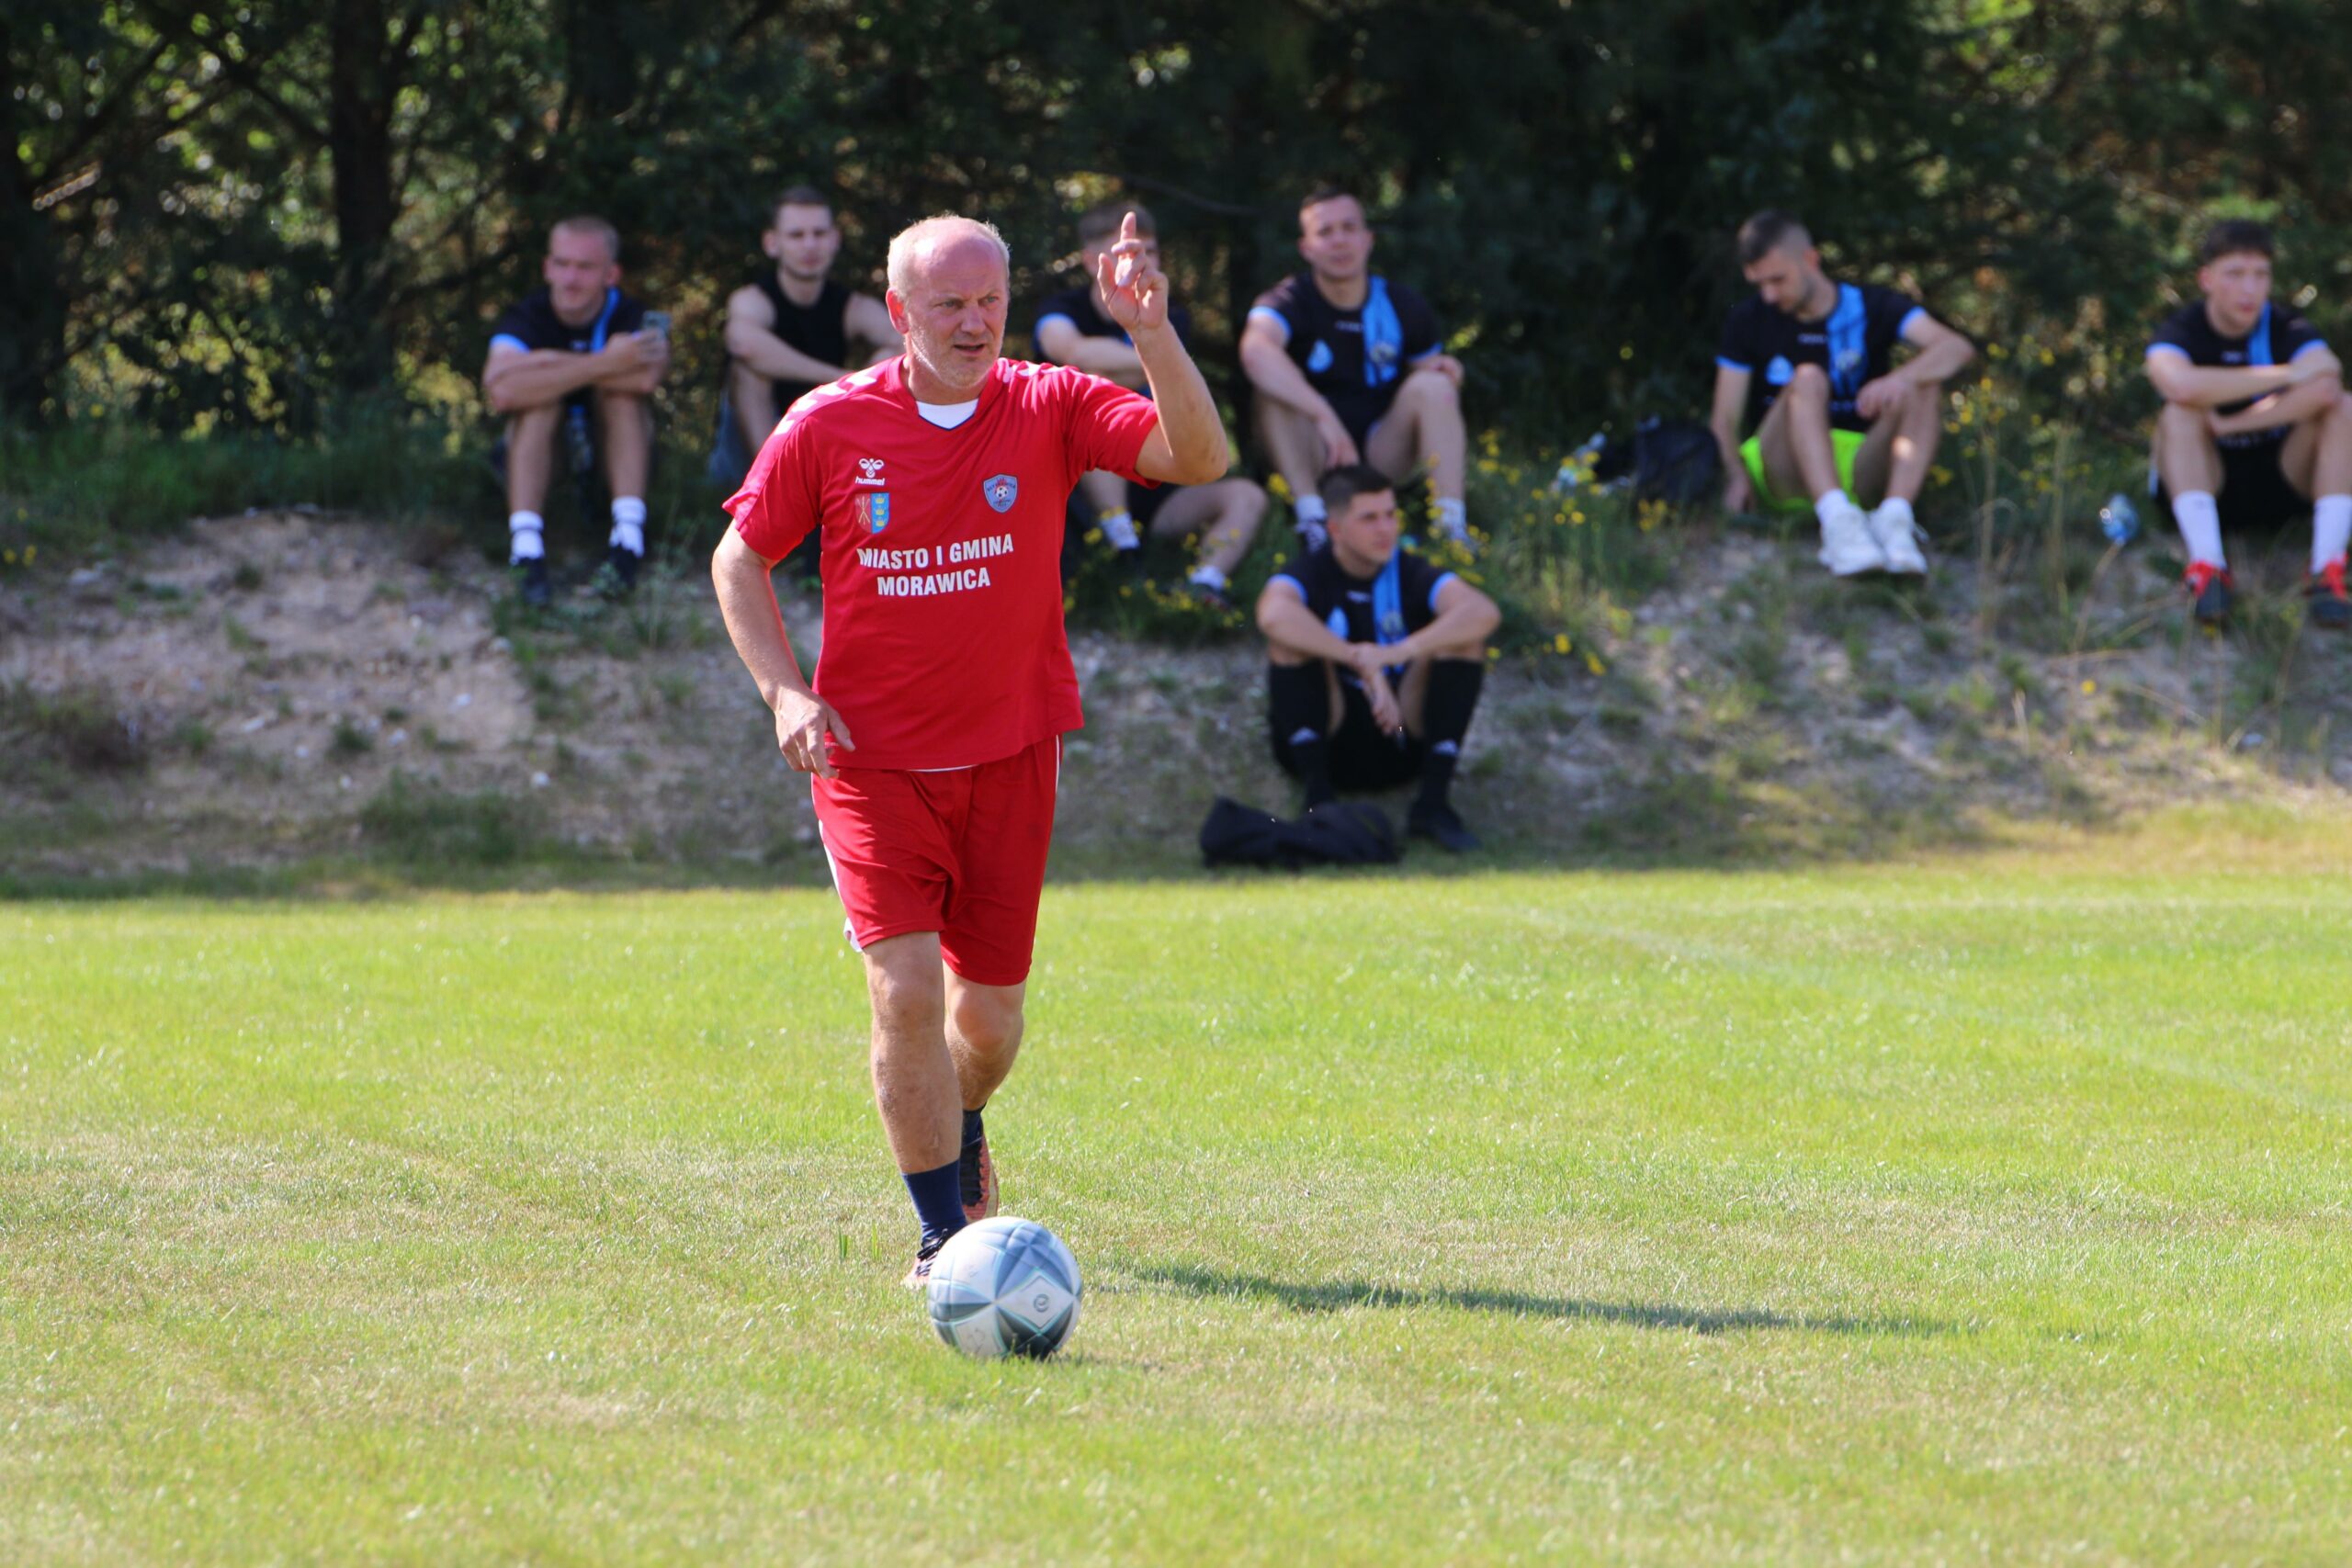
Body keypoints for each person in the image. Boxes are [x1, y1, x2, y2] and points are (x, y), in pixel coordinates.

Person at [711, 211, 1228, 1283]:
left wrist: (1148, 331)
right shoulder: (828, 424)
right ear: (897, 311)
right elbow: (738, 559)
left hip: (1011, 753)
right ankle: (943, 1241)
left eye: (989, 300)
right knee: (904, 991)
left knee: (985, 1027)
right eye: (948, 303)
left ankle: (964, 1121)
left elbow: (1198, 457)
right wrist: (784, 693)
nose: (974, 321)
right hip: (869, 761)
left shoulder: (1049, 402)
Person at [1709, 209, 1974, 578]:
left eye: (1778, 280)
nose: (1769, 295)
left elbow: (1956, 348)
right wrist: (1735, 475)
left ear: (1810, 260)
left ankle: (1894, 522)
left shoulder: (1872, 305)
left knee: (1924, 382)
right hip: (1780, 468)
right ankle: (1837, 524)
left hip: (1858, 467)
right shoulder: (1748, 319)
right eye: (1759, 284)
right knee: (1807, 378)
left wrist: (1899, 379)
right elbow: (1724, 418)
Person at [1254, 463, 1500, 852]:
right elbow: (1273, 615)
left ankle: (1433, 805)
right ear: (1335, 529)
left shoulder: (1410, 570)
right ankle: (1318, 802)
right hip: (1331, 738)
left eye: (1390, 515)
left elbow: (1482, 612)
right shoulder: (1311, 571)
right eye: (1369, 518)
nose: (1385, 528)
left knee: (1464, 641)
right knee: (1289, 643)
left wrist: (1394, 654)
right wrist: (1358, 661)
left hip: (1400, 732)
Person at [1035, 202, 1267, 608]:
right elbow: (1071, 351)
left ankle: (1201, 587)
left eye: (1149, 251)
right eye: (1123, 251)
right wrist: (1155, 354)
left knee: (1247, 496)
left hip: (1161, 487)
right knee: (1096, 402)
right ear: (1091, 261)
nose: (1138, 261)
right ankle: (1123, 551)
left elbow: (1173, 386)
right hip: (1082, 489)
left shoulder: (1170, 316)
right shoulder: (1061, 310)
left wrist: (1144, 349)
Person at [1239, 186, 1474, 554]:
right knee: (1271, 389)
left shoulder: (1403, 304)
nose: (1339, 241)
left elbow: (1427, 381)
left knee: (1435, 386)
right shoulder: (1287, 299)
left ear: (1368, 239)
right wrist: (1324, 416)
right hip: (1314, 451)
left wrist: (1447, 372)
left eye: (1349, 228)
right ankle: (1313, 522)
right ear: (1306, 248)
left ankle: (1450, 528)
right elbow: (1255, 352)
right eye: (1325, 232)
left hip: (1381, 453)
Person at [2145, 219, 2352, 628]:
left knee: (2344, 407)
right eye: (2235, 274)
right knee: (2178, 412)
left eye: (2261, 275)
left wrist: (2230, 424)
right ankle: (2207, 567)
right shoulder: (2181, 329)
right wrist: (2288, 375)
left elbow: (2327, 381)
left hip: (2280, 479)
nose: (2249, 289)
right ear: (2206, 279)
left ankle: (2327, 569)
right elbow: (2179, 385)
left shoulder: (2286, 326)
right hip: (2206, 480)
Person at [482, 215, 670, 606]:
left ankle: (627, 543)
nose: (570, 278)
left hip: (612, 453)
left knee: (621, 399)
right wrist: (606, 362)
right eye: (562, 264)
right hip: (546, 454)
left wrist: (546, 364)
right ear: (547, 267)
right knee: (538, 405)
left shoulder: (632, 315)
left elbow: (645, 378)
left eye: (585, 267)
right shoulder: (526, 315)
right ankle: (526, 549)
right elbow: (502, 391)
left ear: (611, 274)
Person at [713, 186, 901, 486]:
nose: (810, 245)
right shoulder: (753, 300)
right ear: (772, 243)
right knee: (746, 371)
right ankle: (771, 485)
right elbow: (742, 342)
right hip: (748, 455)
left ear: (835, 239)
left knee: (891, 357)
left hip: (825, 437)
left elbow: (904, 340)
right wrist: (843, 381)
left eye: (819, 233)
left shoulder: (852, 307)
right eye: (797, 235)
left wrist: (866, 377)